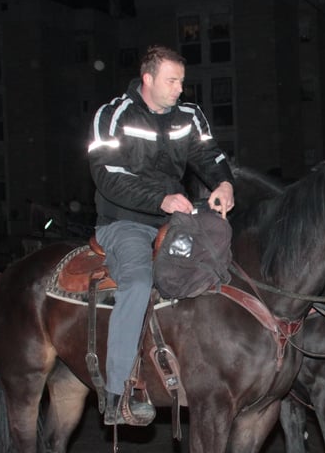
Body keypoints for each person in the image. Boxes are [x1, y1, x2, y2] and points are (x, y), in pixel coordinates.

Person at [87, 45, 235, 425]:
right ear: (148, 78)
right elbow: (107, 175)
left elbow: (210, 156)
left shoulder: (189, 116)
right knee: (137, 282)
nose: (179, 89)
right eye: (172, 81)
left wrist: (224, 183)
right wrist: (160, 199)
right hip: (125, 220)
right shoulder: (113, 114)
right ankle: (117, 393)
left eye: (182, 81)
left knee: (218, 269)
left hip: (174, 217)